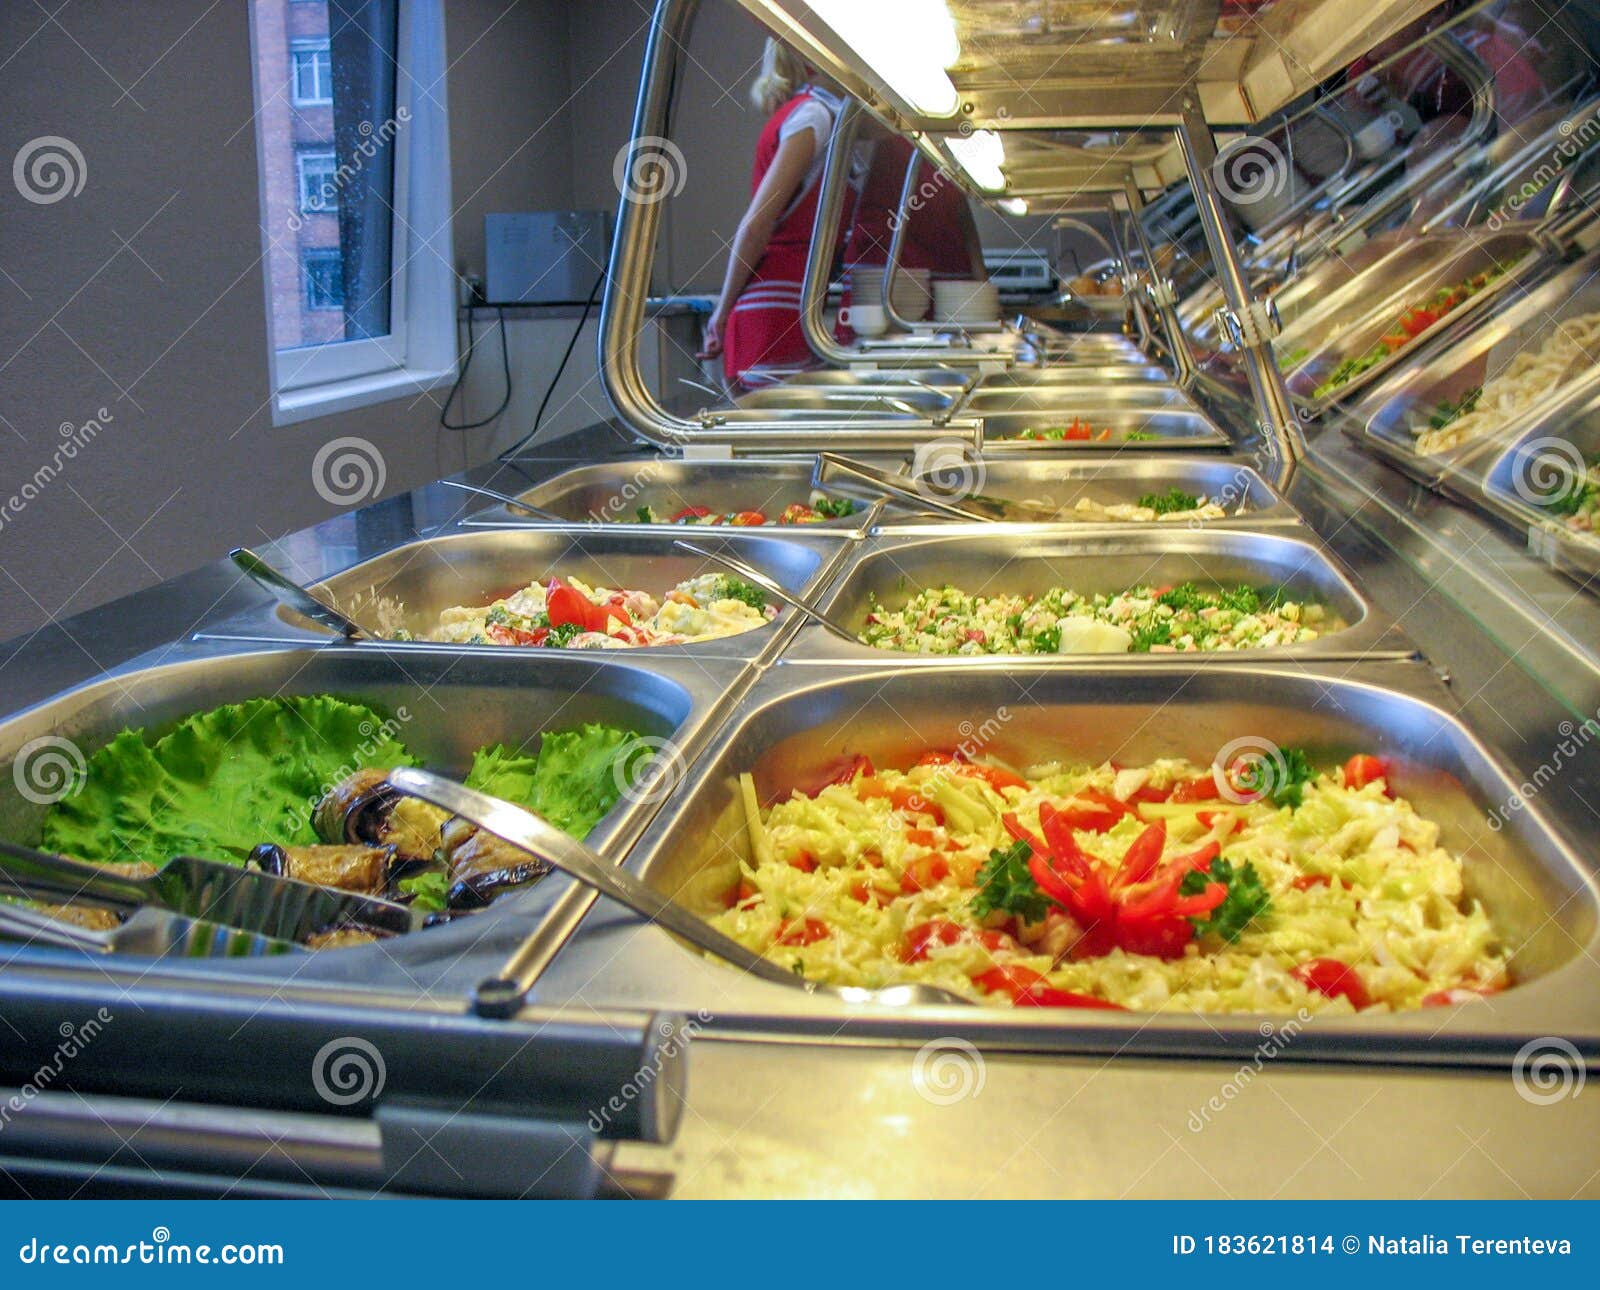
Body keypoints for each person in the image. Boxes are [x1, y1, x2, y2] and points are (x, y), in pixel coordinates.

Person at [700, 40, 842, 390]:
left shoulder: (825, 114)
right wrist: (721, 312)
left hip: (792, 307)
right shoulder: (812, 116)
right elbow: (756, 226)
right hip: (773, 312)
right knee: (778, 438)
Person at [836, 129, 986, 341]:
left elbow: (960, 207)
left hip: (947, 270)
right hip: (880, 268)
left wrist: (980, 282)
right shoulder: (885, 115)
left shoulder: (955, 129)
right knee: (877, 358)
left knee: (947, 361)